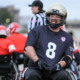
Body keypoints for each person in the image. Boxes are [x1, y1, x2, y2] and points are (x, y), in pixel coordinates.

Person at [24, 4, 73, 80]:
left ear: (63, 18)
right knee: (30, 75)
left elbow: (68, 56)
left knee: (64, 75)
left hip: (55, 70)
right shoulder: (37, 30)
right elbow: (28, 47)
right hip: (36, 67)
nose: (54, 18)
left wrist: (58, 65)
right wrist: (38, 61)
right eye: (52, 16)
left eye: (57, 16)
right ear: (48, 17)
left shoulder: (67, 37)